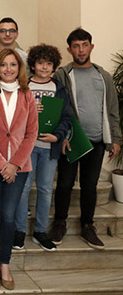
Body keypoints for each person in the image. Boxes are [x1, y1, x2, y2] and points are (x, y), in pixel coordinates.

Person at [50, 27, 121, 249]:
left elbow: (112, 109)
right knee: (64, 183)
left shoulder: (103, 76)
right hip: (72, 139)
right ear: (69, 49)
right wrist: (61, 136)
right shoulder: (62, 74)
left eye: (84, 45)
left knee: (89, 185)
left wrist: (115, 138)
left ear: (91, 46)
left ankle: (88, 226)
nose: (81, 50)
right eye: (76, 46)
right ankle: (59, 223)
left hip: (97, 140)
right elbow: (57, 107)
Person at [0, 48, 38, 291]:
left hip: (20, 168)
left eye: (13, 64)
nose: (9, 69)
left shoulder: (27, 95)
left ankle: (5, 263)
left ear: (19, 68)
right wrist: (2, 164)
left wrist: (15, 164)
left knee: (10, 216)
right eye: (4, 65)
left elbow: (31, 133)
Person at [13, 43, 72, 252]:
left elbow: (66, 117)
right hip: (26, 147)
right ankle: (19, 230)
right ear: (33, 64)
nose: (44, 67)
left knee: (46, 190)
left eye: (49, 64)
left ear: (54, 66)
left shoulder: (59, 88)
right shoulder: (23, 86)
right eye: (40, 63)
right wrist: (28, 109)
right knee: (23, 189)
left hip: (49, 148)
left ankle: (40, 231)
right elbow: (12, 115)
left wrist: (57, 137)